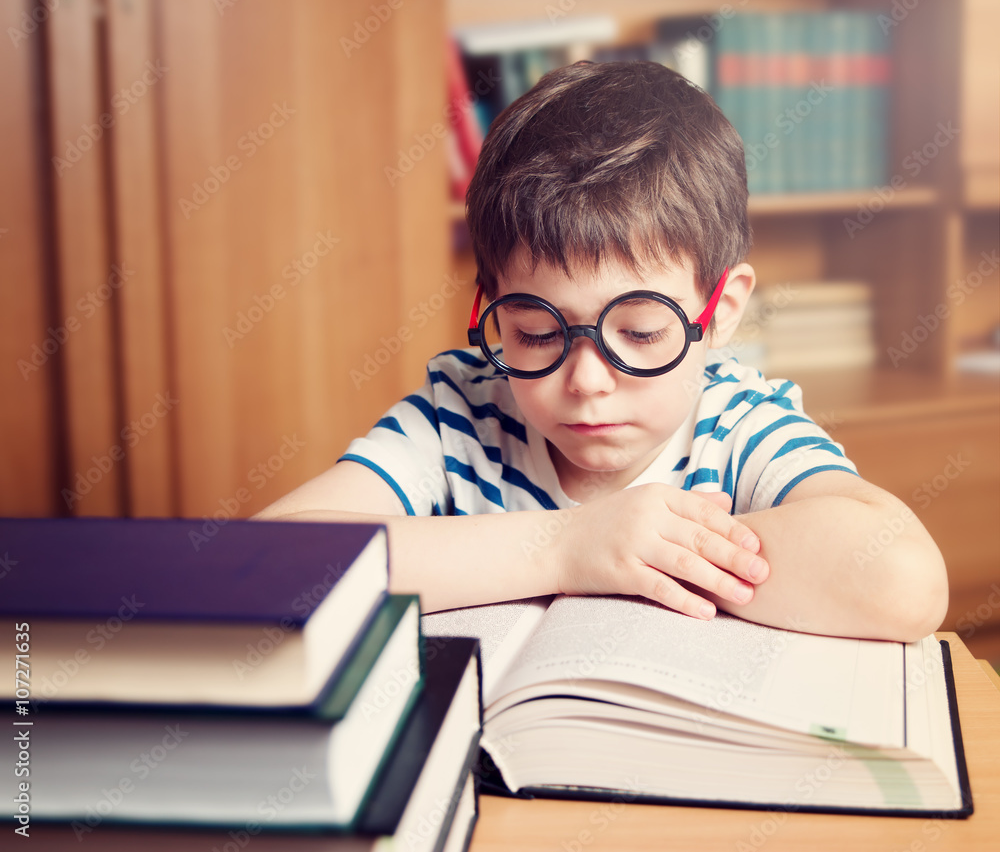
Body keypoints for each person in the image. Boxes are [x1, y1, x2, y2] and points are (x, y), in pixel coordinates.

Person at [256, 61, 947, 642]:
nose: (586, 380)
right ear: (488, 304)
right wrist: (569, 547)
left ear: (722, 309)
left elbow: (904, 579)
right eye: (534, 332)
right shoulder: (456, 420)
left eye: (640, 333)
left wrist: (649, 551)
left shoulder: (738, 427)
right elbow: (259, 568)